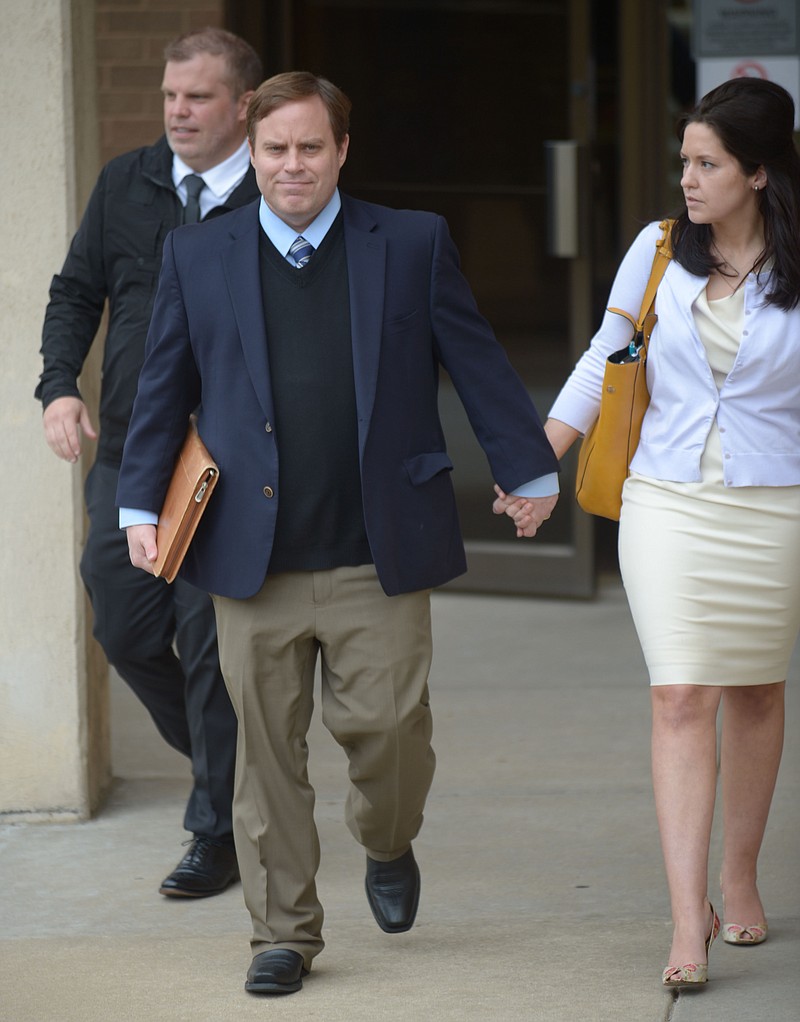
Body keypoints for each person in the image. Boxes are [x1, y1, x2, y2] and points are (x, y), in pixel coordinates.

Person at [116, 71, 559, 994]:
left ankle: (388, 841)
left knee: (392, 735)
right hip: (251, 557)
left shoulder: (409, 242)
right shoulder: (200, 253)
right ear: (253, 151)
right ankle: (283, 932)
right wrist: (138, 507)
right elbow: (163, 386)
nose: (291, 166)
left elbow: (473, 358)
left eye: (310, 148)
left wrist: (524, 468)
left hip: (377, 550)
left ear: (342, 151)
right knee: (265, 756)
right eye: (274, 149)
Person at [497, 76, 800, 988]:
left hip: (776, 504)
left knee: (753, 693)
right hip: (666, 499)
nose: (689, 180)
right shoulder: (660, 249)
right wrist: (533, 461)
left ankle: (738, 878)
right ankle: (683, 920)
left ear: (758, 171)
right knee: (680, 695)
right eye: (684, 163)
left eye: (707, 164)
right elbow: (605, 357)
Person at [36, 27, 264, 899]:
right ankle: (232, 769)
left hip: (232, 462)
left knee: (209, 642)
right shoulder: (125, 183)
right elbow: (75, 291)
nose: (178, 112)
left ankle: (214, 828)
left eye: (198, 97)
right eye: (171, 96)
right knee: (124, 627)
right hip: (133, 449)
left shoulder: (271, 196)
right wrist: (60, 386)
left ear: (241, 105)